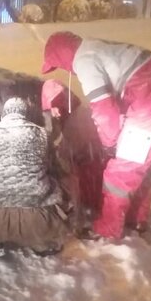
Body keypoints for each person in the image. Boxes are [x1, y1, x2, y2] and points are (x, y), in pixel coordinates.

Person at [41, 32, 151, 239]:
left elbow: (105, 111)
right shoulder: (96, 48)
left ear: (62, 56)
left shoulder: (85, 61)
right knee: (137, 164)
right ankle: (136, 217)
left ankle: (108, 229)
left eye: (59, 64)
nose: (67, 71)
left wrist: (108, 143)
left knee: (119, 172)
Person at [0, 96, 71, 257]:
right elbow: (57, 167)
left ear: (3, 115)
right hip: (36, 220)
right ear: (25, 114)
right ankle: (42, 242)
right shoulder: (42, 134)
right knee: (63, 185)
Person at [40, 79, 105, 222]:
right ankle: (91, 211)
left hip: (82, 160)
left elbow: (66, 148)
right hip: (90, 159)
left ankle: (82, 218)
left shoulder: (72, 118)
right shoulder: (81, 111)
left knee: (74, 180)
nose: (55, 113)